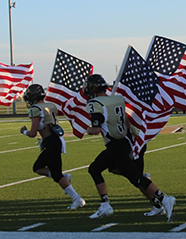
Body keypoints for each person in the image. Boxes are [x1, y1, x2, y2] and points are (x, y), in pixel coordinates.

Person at [83, 74, 176, 221]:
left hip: (117, 145)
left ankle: (164, 199)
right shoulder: (117, 99)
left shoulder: (96, 103)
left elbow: (97, 129)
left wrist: (87, 130)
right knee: (96, 168)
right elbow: (126, 121)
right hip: (127, 141)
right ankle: (106, 205)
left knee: (136, 179)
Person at [20, 84, 85, 210]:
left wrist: (24, 131)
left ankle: (77, 199)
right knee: (38, 167)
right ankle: (65, 177)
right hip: (56, 140)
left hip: (51, 142)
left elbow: (33, 133)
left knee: (56, 174)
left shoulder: (36, 109)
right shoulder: (50, 106)